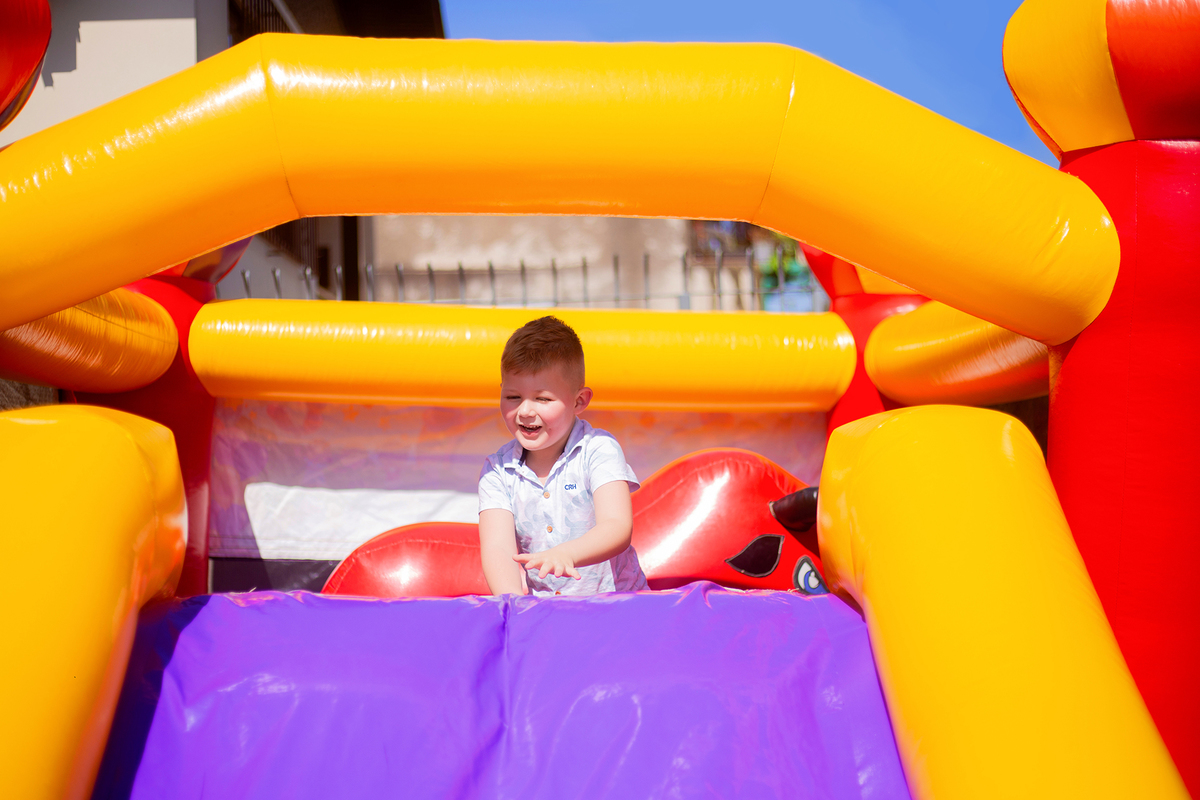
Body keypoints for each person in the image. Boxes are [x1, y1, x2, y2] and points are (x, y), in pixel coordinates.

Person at [477, 316, 648, 596]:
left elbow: (617, 526)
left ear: (579, 401)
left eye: (542, 399)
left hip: (617, 604)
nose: (525, 411)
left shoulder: (598, 449)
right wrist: (512, 602)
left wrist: (567, 553)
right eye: (513, 397)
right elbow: (498, 549)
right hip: (546, 609)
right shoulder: (498, 471)